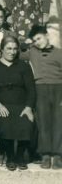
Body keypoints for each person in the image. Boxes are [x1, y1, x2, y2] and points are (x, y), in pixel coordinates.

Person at [0, 36, 36, 171]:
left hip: (21, 105)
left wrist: (28, 107)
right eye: (8, 48)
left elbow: (31, 89)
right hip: (2, 104)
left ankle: (20, 156)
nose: (12, 52)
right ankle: (10, 156)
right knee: (5, 122)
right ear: (1, 50)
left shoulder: (24, 66)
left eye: (15, 49)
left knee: (27, 122)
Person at [25, 26, 62, 169]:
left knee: (58, 120)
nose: (37, 42)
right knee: (43, 121)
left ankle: (58, 154)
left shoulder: (59, 53)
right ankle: (45, 154)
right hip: (40, 89)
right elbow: (16, 53)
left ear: (47, 35)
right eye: (34, 40)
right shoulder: (32, 52)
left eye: (39, 38)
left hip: (58, 88)